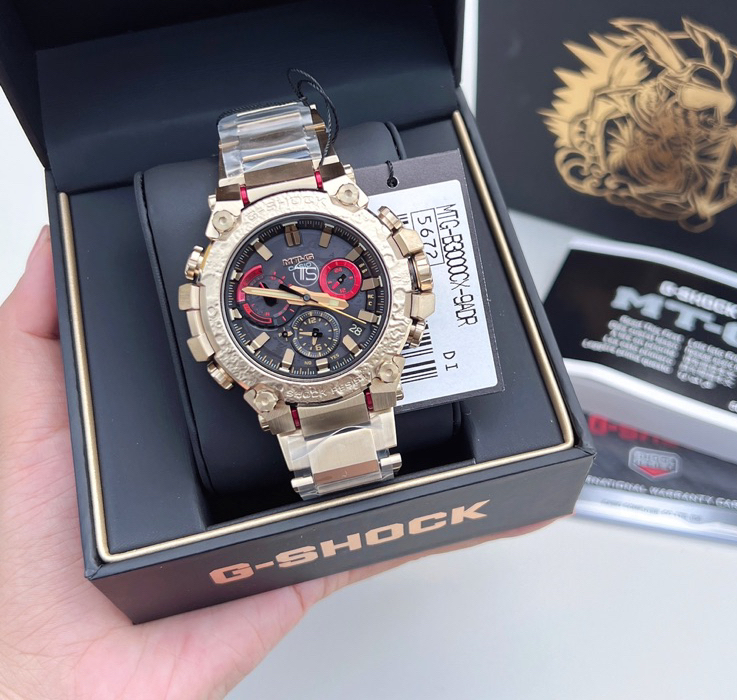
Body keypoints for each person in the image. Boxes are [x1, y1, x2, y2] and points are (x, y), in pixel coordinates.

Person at [0, 227, 547, 700]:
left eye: (328, 283)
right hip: (288, 381)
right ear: (206, 321)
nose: (308, 295)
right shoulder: (238, 319)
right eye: (278, 293)